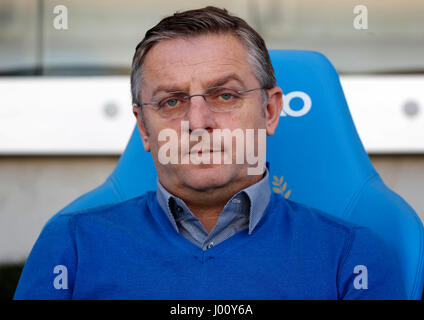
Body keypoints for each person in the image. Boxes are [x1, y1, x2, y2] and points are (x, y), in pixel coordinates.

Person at [14, 6, 405, 300]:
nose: (198, 121)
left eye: (225, 95)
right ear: (143, 128)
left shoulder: (352, 257)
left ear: (270, 111)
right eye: (171, 102)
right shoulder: (71, 245)